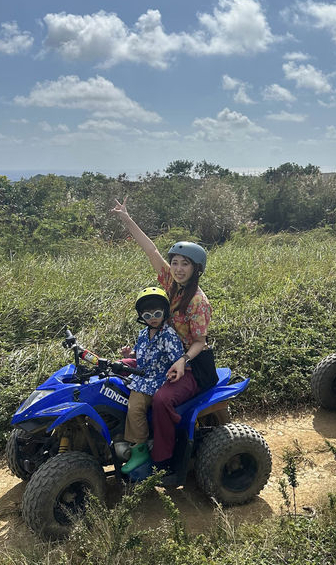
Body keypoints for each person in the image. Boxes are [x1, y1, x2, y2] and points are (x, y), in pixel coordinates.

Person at [111, 197, 214, 474]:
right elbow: (152, 251)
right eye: (176, 263)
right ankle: (128, 438)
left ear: (196, 269)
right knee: (114, 374)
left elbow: (199, 342)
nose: (178, 268)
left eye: (185, 264)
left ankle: (163, 458)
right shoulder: (171, 284)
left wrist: (181, 361)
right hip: (159, 356)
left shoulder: (198, 302)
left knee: (161, 399)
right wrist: (126, 219)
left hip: (189, 366)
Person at [120, 287, 184, 475]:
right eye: (148, 315)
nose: (153, 318)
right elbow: (140, 353)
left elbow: (177, 358)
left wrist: (176, 371)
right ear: (141, 316)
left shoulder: (168, 335)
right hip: (141, 376)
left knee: (136, 407)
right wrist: (129, 354)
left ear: (164, 312)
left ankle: (140, 448)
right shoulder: (142, 334)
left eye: (157, 313)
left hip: (156, 381)